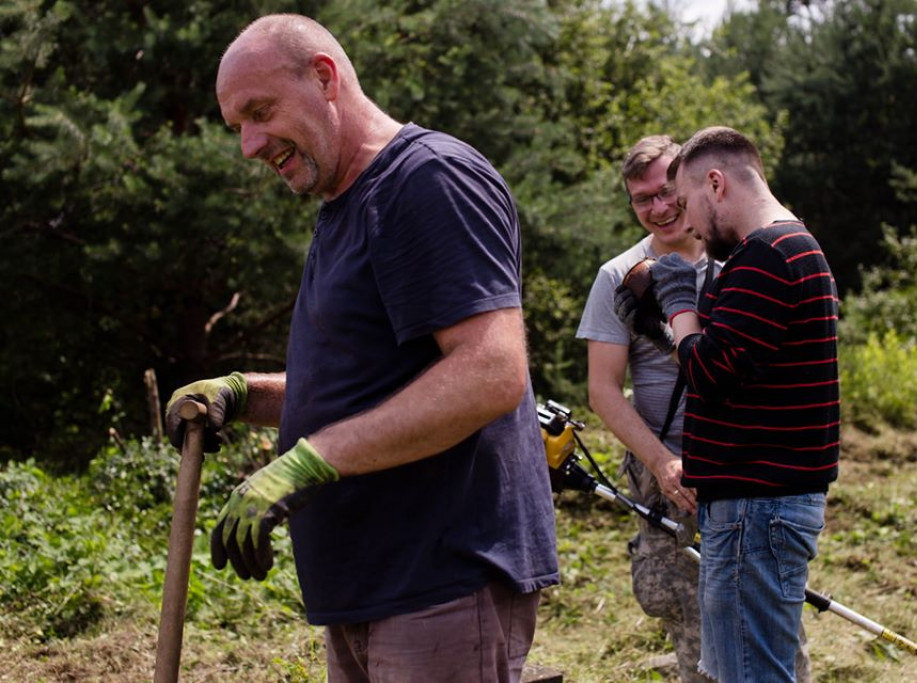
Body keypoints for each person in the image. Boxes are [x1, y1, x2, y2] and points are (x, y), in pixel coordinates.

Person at [164, 14, 559, 683]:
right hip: (372, 588)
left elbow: (490, 372)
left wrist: (308, 462)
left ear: (324, 78)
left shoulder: (428, 179)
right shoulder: (347, 203)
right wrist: (244, 393)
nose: (250, 145)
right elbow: (370, 389)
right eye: (238, 126)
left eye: (260, 112)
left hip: (439, 582)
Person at [576, 136, 811, 682]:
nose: (659, 208)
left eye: (667, 192)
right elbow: (603, 390)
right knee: (691, 619)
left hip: (744, 469)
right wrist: (660, 461)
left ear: (695, 184)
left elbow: (749, 364)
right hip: (667, 469)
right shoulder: (619, 275)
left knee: (767, 624)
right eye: (642, 199)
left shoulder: (744, 256)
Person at [645, 126, 840, 683]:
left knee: (748, 674)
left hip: (756, 508)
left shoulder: (766, 256)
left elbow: (710, 372)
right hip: (763, 505)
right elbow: (737, 365)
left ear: (716, 183)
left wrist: (678, 306)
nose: (687, 225)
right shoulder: (790, 246)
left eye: (686, 204)